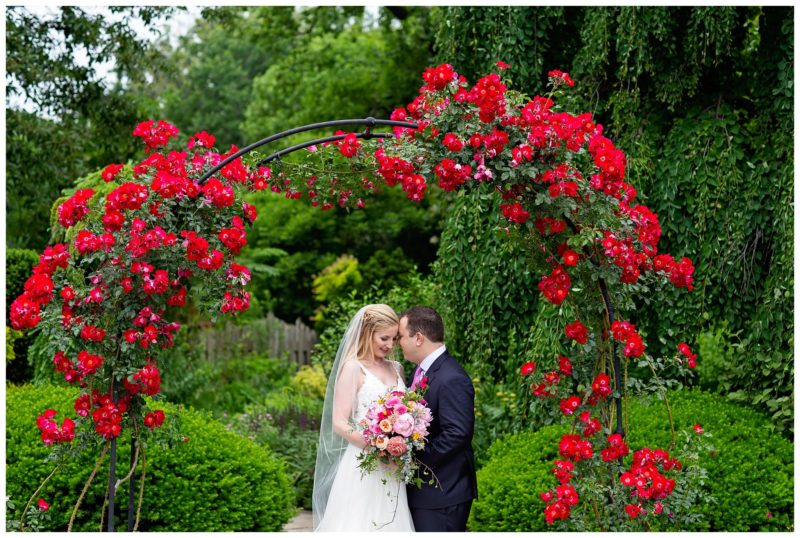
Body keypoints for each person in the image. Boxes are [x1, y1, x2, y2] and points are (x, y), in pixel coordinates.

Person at [312, 304, 415, 532]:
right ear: (367, 332)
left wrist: (400, 441)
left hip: (393, 466)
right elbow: (339, 423)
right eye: (384, 338)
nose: (389, 345)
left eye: (394, 339)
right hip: (363, 463)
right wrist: (377, 447)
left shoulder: (397, 368)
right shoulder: (353, 369)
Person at [397, 306, 478, 532]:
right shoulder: (421, 372)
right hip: (427, 493)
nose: (398, 342)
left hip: (442, 493)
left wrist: (412, 457)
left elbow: (457, 434)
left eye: (401, 336)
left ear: (419, 338)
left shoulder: (451, 377)